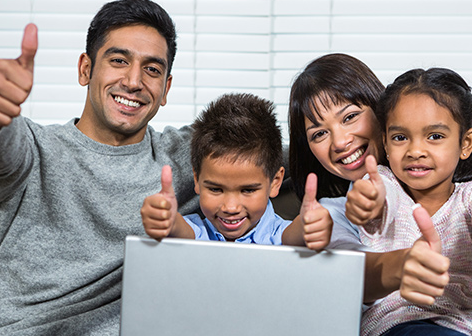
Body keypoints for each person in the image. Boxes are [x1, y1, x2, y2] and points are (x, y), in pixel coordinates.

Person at [0, 0, 199, 336]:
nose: (133, 81)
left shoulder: (192, 159)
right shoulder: (33, 146)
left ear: (166, 89)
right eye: (118, 61)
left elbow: (277, 155)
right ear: (85, 69)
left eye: (152, 70)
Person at [287, 53, 472, 336]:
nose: (340, 141)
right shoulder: (360, 197)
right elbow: (376, 205)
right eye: (319, 133)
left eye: (350, 117)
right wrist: (371, 205)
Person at [141, 93, 332, 249]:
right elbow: (181, 230)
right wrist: (168, 219)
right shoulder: (196, 231)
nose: (230, 208)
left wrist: (308, 226)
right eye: (216, 189)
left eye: (248, 190)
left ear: (275, 182)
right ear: (197, 179)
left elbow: (293, 236)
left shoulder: (279, 234)